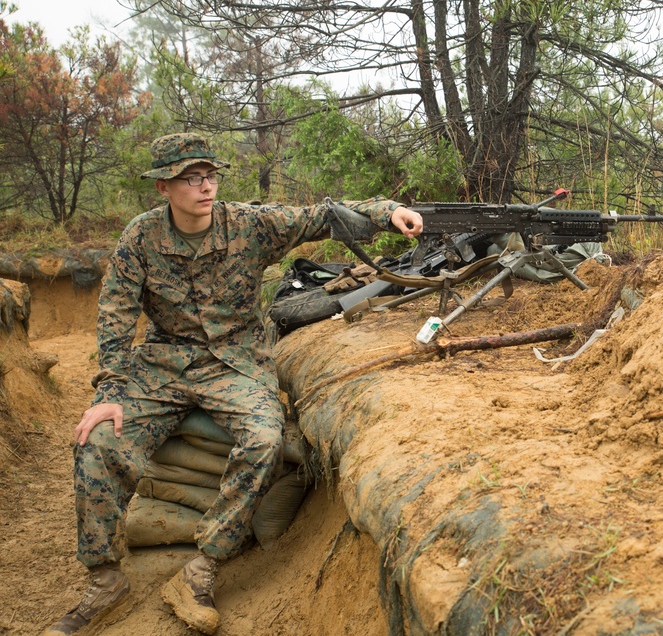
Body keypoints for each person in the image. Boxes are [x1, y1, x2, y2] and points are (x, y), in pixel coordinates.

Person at [44, 133, 423, 636]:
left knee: (265, 439)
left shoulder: (248, 224)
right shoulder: (140, 238)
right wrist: (109, 393)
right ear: (164, 187)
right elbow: (115, 316)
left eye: (210, 175)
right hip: (163, 365)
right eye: (190, 177)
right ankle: (106, 580)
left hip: (237, 364)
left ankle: (201, 570)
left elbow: (322, 215)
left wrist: (388, 210)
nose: (205, 186)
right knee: (97, 443)